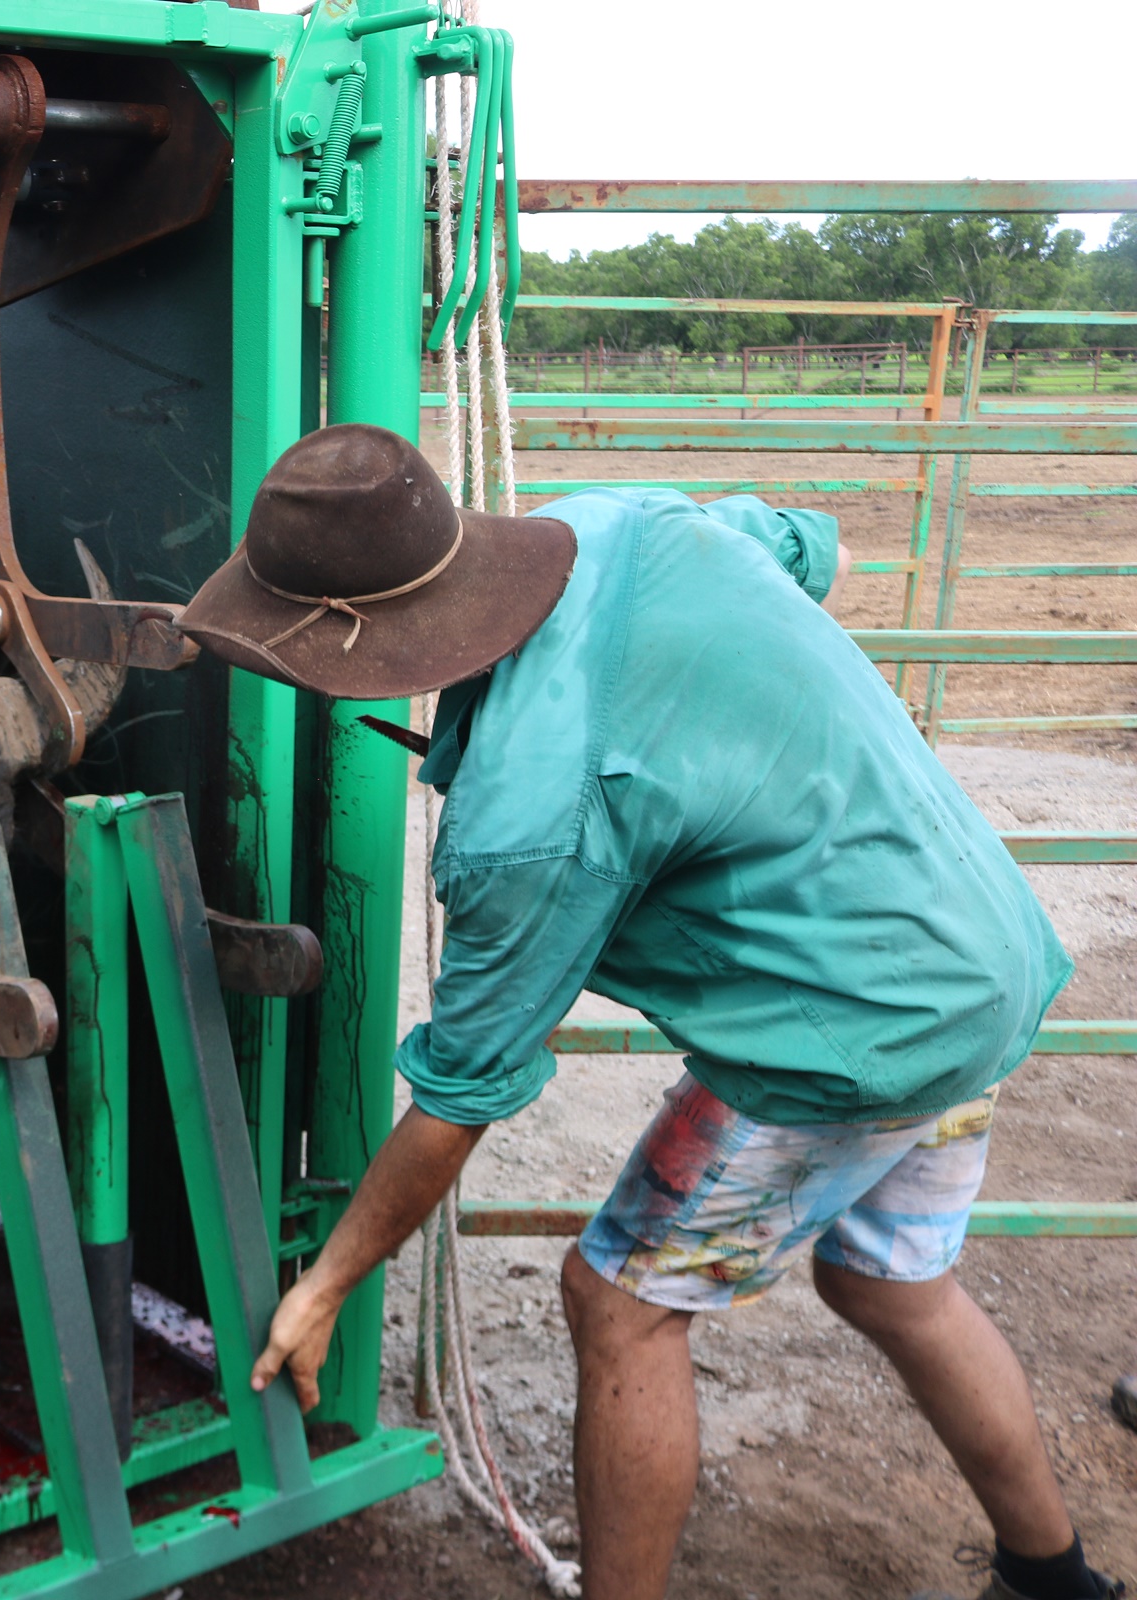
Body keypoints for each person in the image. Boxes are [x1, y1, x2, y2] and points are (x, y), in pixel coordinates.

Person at [178, 424, 1123, 1600]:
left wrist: (325, 1286)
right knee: (892, 1283)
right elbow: (801, 543)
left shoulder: (531, 814)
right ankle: (1057, 1578)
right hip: (976, 955)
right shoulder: (622, 520)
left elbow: (462, 1094)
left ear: (348, 642)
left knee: (616, 1303)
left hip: (855, 1032)